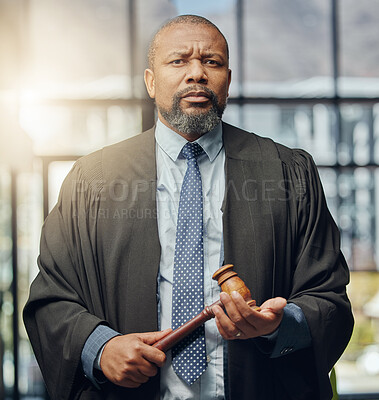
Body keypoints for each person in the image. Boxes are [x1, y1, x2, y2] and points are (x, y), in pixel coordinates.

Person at [23, 14, 354, 400]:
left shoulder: (287, 172)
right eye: (178, 61)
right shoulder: (91, 179)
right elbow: (51, 298)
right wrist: (101, 348)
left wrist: (279, 325)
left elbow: (329, 298)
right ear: (151, 81)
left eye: (212, 62)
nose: (196, 73)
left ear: (227, 81)